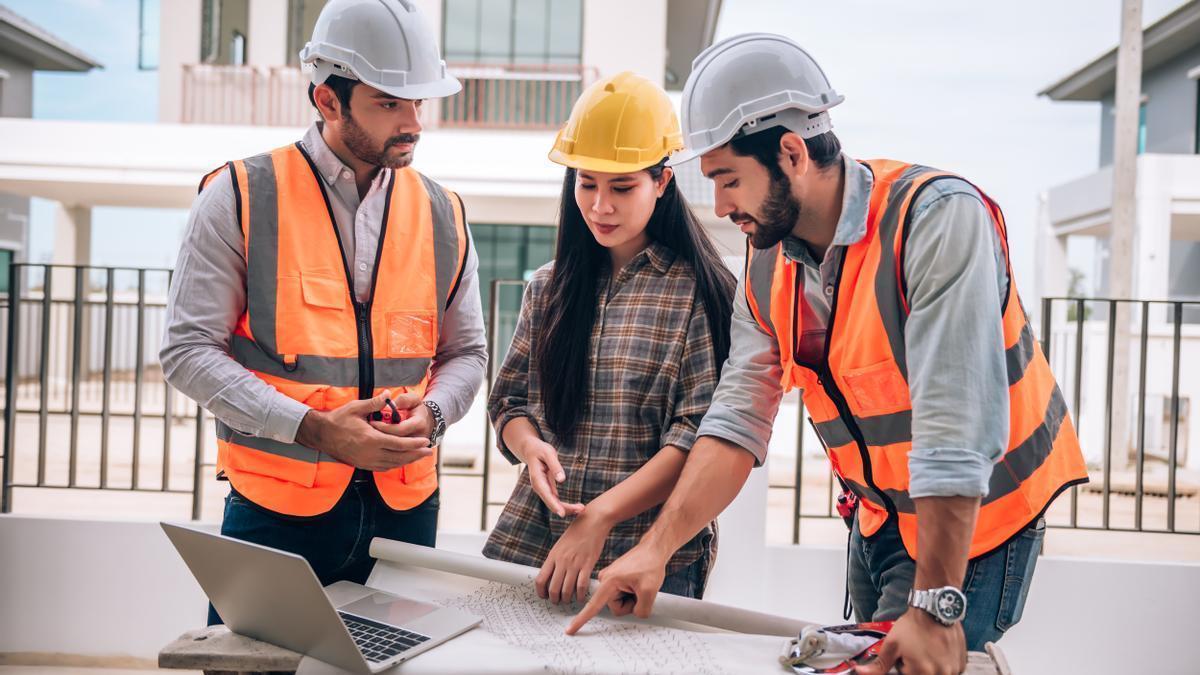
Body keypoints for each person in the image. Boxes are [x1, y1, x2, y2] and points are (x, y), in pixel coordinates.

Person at [568, 33, 1088, 675]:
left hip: (978, 522)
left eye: (729, 181)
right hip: (878, 520)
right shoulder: (766, 261)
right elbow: (736, 420)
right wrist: (655, 548)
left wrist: (934, 608)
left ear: (791, 153)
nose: (721, 206)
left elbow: (954, 428)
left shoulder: (936, 220)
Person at [160, 0, 486, 624]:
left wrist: (436, 414)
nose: (413, 123)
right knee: (253, 669)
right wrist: (315, 430)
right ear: (327, 100)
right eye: (389, 103)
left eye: (419, 102)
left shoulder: (444, 213)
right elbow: (187, 351)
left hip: (406, 508)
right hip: (275, 511)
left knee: (396, 664)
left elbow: (465, 353)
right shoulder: (239, 196)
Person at [482, 71, 736, 605]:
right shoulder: (548, 288)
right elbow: (508, 401)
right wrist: (531, 449)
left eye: (622, 187)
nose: (600, 206)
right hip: (538, 542)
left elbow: (695, 438)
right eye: (586, 183)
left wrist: (600, 516)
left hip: (647, 557)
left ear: (663, 182)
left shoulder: (699, 294)